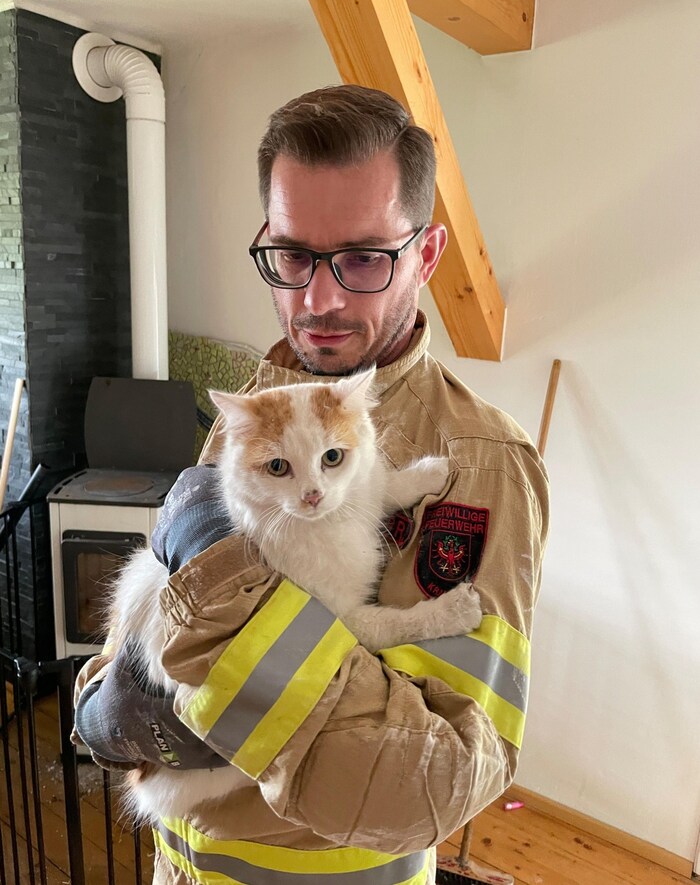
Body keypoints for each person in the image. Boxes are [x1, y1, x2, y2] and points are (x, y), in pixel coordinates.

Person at [73, 84, 549, 885]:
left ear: (426, 257)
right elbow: (158, 633)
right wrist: (111, 690)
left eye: (363, 257)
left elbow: (443, 779)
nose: (317, 299)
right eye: (292, 255)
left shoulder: (481, 460)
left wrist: (213, 675)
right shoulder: (250, 415)